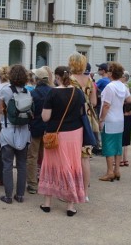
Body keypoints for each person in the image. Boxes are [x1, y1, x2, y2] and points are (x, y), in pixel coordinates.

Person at [39, 66, 86, 216]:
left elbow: (45, 117)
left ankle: (47, 203)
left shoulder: (52, 93)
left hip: (56, 133)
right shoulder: (78, 92)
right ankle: (70, 205)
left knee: (51, 164)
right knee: (72, 165)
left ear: (57, 77)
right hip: (75, 132)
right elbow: (82, 112)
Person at [0, 64, 31, 204]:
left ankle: (8, 195)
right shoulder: (27, 92)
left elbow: (0, 109)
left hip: (8, 129)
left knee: (7, 164)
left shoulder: (5, 91)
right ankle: (20, 195)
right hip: (24, 130)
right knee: (22, 164)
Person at [68, 52, 97, 201]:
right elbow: (94, 102)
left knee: (72, 157)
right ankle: (85, 192)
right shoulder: (90, 80)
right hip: (88, 119)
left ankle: (73, 189)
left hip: (74, 120)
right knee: (85, 158)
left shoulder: (71, 80)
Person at [99, 63, 131, 181]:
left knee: (108, 145)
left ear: (110, 73)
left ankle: (109, 172)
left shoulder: (109, 87)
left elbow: (106, 105)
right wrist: (121, 105)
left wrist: (101, 119)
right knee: (118, 145)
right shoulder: (123, 86)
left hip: (109, 119)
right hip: (120, 119)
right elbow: (130, 100)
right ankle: (117, 170)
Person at [26, 67, 51, 194]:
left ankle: (32, 184)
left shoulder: (33, 93)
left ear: (37, 79)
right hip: (49, 128)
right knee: (47, 156)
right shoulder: (53, 91)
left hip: (36, 127)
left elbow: (30, 111)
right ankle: (46, 181)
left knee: (32, 156)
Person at [120, 71, 131, 168]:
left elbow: (130, 101)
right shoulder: (126, 87)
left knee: (123, 136)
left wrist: (127, 110)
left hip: (124, 113)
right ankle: (125, 158)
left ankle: (122, 159)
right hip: (127, 113)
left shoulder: (123, 87)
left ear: (125, 78)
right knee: (125, 137)